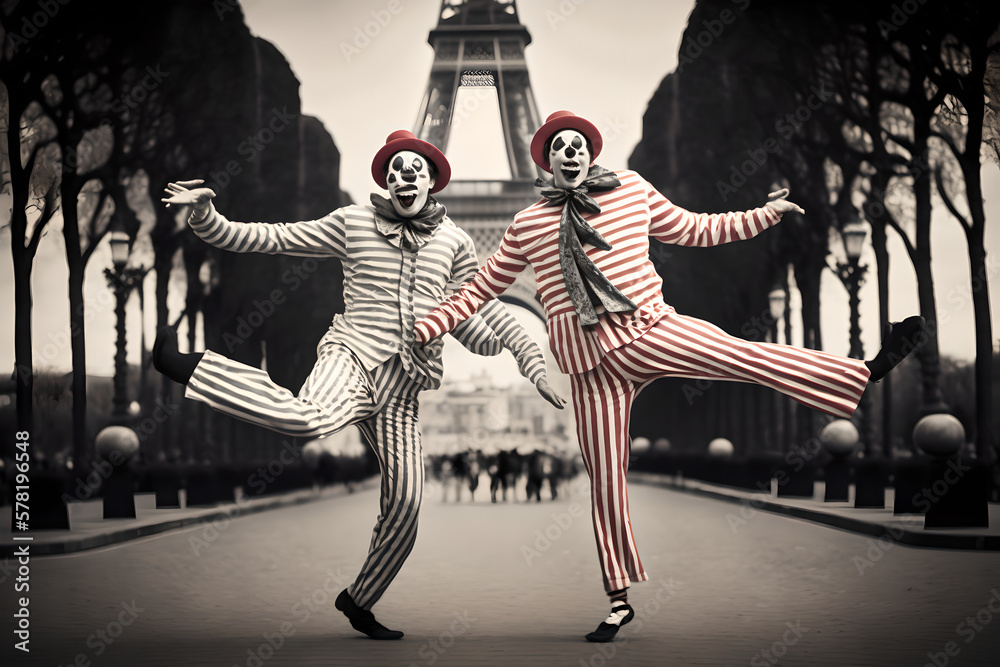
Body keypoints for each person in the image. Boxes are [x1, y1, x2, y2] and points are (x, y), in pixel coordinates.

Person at [413, 111, 923, 643]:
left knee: (742, 356)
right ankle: (618, 599)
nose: (570, 151)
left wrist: (763, 215)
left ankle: (863, 370)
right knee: (606, 480)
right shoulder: (527, 224)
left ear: (589, 153)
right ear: (545, 160)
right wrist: (431, 325)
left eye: (578, 144)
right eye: (559, 146)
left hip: (649, 329)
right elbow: (478, 289)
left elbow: (696, 229)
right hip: (590, 367)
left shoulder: (632, 190)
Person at [156, 129, 565, 640]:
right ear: (387, 181)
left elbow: (483, 310)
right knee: (308, 417)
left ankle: (359, 599)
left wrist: (526, 356)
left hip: (404, 387)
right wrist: (206, 217)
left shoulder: (457, 243)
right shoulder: (351, 223)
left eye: (414, 168)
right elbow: (274, 237)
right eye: (395, 169)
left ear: (432, 180)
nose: (403, 176)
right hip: (351, 358)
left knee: (409, 502)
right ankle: (190, 365)